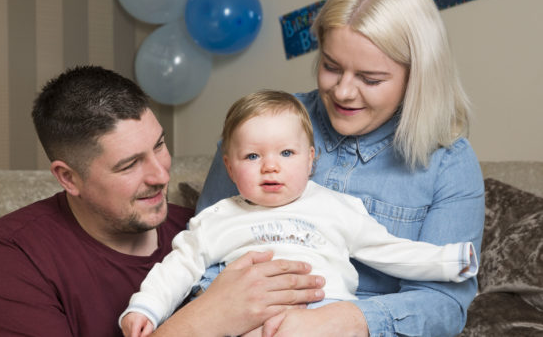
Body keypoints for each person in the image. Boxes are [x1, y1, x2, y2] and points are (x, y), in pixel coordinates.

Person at [196, 0, 485, 337]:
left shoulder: (449, 162)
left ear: (417, 77)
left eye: (370, 79)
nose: (344, 92)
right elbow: (203, 257)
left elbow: (443, 304)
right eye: (331, 67)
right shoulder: (260, 128)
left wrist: (340, 321)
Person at [0, 66, 325, 337]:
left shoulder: (204, 227)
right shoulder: (13, 255)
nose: (161, 175)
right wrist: (201, 320)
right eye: (129, 164)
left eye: (159, 146)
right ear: (69, 177)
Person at [120, 90, 478, 337]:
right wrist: (146, 308)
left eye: (286, 154)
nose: (270, 168)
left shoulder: (335, 207)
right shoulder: (217, 218)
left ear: (311, 159)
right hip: (248, 322)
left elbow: (387, 249)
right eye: (253, 157)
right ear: (229, 168)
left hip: (326, 316)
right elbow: (178, 268)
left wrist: (449, 261)